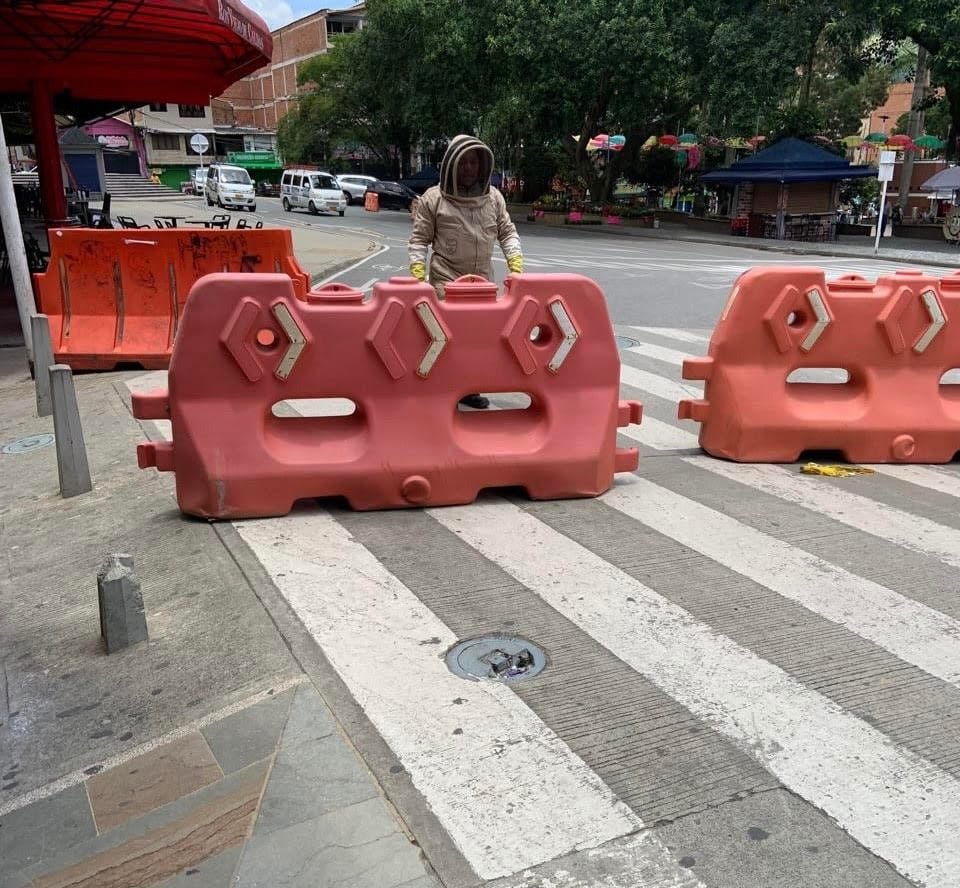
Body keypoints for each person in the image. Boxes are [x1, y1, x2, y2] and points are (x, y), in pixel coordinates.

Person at [409, 135, 524, 409]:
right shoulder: (434, 199)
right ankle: (442, 387)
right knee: (446, 337)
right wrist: (417, 275)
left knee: (480, 339)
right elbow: (419, 239)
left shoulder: (494, 199)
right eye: (464, 162)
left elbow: (507, 233)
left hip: (482, 282)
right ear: (452, 163)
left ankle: (470, 388)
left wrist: (516, 264)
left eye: (474, 162)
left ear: (482, 165)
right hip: (446, 280)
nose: (469, 168)